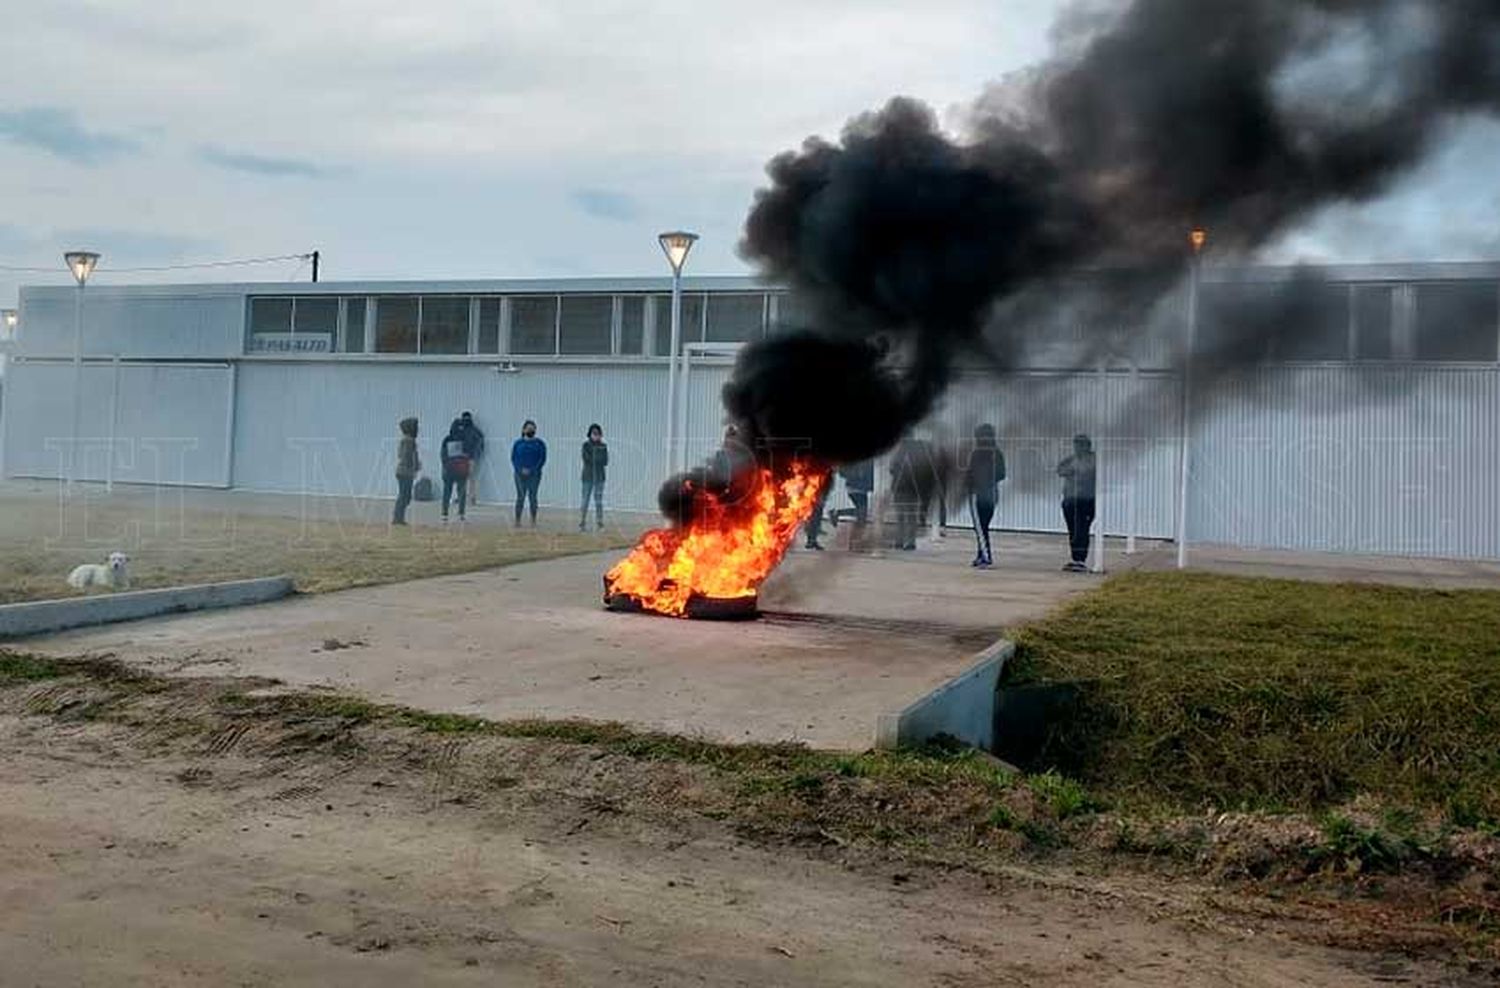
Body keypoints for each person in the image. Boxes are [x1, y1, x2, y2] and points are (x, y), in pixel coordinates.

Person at [965, 424, 1006, 568]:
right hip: (982, 494)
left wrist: (983, 481)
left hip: (985, 494)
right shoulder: (982, 453)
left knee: (981, 526)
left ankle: (986, 557)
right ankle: (981, 554)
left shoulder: (992, 453)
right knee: (981, 527)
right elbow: (970, 472)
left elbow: (1001, 473)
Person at [1057, 434, 1097, 572]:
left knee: (1081, 530)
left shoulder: (1093, 460)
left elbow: (1088, 473)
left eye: (1080, 445)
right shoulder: (1072, 459)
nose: (1077, 448)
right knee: (1073, 530)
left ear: (1087, 446)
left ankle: (1081, 559)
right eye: (1076, 445)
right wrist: (1069, 469)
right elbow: (1060, 469)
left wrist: (1074, 471)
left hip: (1086, 500)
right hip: (1070, 500)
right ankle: (1075, 558)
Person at [888, 438, 925, 551]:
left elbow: (891, 469)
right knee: (911, 517)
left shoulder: (898, 454)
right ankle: (909, 543)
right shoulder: (918, 455)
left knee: (900, 516)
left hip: (898, 488)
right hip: (912, 489)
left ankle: (899, 541)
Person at [511, 419, 547, 526]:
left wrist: (532, 470)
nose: (531, 430)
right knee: (520, 497)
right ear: (523, 430)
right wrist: (520, 469)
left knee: (533, 496)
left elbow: (542, 459)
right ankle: (517, 520)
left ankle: (533, 519)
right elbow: (514, 458)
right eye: (528, 428)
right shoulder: (518, 443)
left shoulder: (539, 444)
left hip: (535, 475)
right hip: (519, 474)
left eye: (533, 428)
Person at [440, 418, 471, 523]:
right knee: (461, 492)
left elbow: (443, 455)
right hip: (460, 470)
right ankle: (461, 514)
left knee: (447, 492)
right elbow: (468, 454)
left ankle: (445, 514)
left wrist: (445, 465)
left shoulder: (447, 439)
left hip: (450, 469)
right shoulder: (465, 440)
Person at [580, 423, 608, 531]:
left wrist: (595, 459)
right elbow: (587, 459)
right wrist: (596, 459)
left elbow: (605, 461)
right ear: (590, 434)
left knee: (599, 501)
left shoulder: (603, 446)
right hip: (587, 477)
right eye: (594, 433)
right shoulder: (585, 445)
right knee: (585, 500)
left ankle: (600, 523)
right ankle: (582, 522)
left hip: (600, 478)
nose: (596, 435)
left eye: (598, 433)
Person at [830, 459, 874, 528]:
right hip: (856, 486)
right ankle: (837, 513)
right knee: (862, 513)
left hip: (859, 487)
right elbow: (843, 471)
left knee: (862, 512)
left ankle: (837, 513)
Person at [392, 417, 420, 526]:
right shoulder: (409, 441)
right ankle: (397, 517)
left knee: (405, 495)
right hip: (405, 472)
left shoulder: (405, 440)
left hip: (403, 471)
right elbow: (407, 456)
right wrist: (414, 467)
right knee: (404, 495)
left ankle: (399, 517)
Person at [457, 411, 485, 506]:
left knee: (468, 478)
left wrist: (476, 454)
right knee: (467, 478)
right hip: (466, 458)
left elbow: (480, 444)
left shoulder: (472, 431)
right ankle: (467, 497)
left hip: (469, 458)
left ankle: (471, 498)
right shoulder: (472, 431)